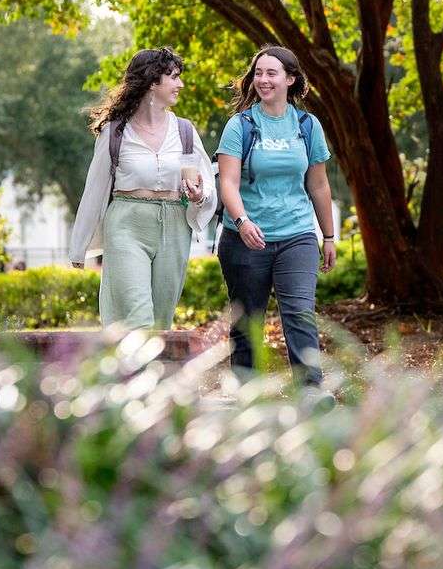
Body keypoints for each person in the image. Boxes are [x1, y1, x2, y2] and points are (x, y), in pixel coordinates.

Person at [69, 47, 217, 329]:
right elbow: (95, 189)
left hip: (174, 225)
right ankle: (137, 366)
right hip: (127, 223)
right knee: (138, 315)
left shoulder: (184, 131)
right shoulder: (115, 132)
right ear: (152, 82)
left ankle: (147, 372)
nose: (180, 84)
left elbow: (206, 182)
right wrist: (79, 247)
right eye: (173, 77)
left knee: (161, 320)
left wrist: (200, 195)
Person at [216, 45, 337, 386]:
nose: (263, 80)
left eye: (272, 73)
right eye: (258, 73)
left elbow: (318, 184)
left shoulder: (307, 125)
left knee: (300, 312)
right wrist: (242, 222)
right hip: (245, 239)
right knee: (247, 320)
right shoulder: (240, 125)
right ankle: (247, 392)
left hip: (296, 234)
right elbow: (228, 182)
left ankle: (311, 389)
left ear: (290, 79)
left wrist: (328, 236)